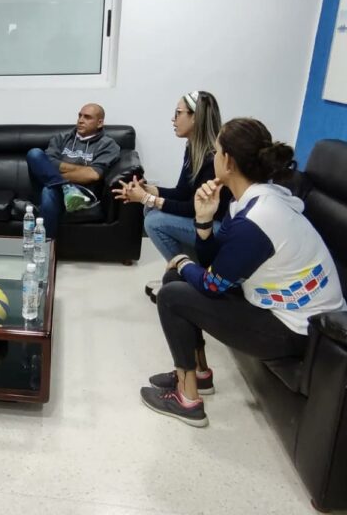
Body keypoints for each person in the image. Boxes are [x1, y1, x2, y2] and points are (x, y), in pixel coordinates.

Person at [140, 118, 344, 427]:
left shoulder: (257, 219)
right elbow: (216, 260)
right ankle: (200, 374)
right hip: (285, 310)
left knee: (171, 295)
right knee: (175, 279)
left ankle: (187, 400)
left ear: (228, 161)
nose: (213, 157)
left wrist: (182, 260)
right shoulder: (256, 198)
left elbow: (211, 285)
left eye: (216, 151)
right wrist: (204, 220)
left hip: (299, 331)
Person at [113, 91, 229, 301]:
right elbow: (182, 193)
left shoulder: (213, 157)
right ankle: (183, 272)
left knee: (155, 220)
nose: (173, 119)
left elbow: (195, 208)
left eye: (178, 113)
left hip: (220, 229)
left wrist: (146, 198)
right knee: (151, 209)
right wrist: (148, 190)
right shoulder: (193, 148)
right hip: (204, 221)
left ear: (195, 117)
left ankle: (189, 278)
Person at [26, 103, 120, 238]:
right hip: (57, 188)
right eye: (80, 116)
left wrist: (57, 171)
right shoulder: (62, 138)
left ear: (100, 123)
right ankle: (64, 186)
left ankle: (44, 245)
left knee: (48, 190)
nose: (80, 120)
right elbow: (48, 162)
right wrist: (82, 170)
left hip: (81, 193)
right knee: (34, 153)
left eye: (87, 117)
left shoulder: (108, 145)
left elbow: (93, 174)